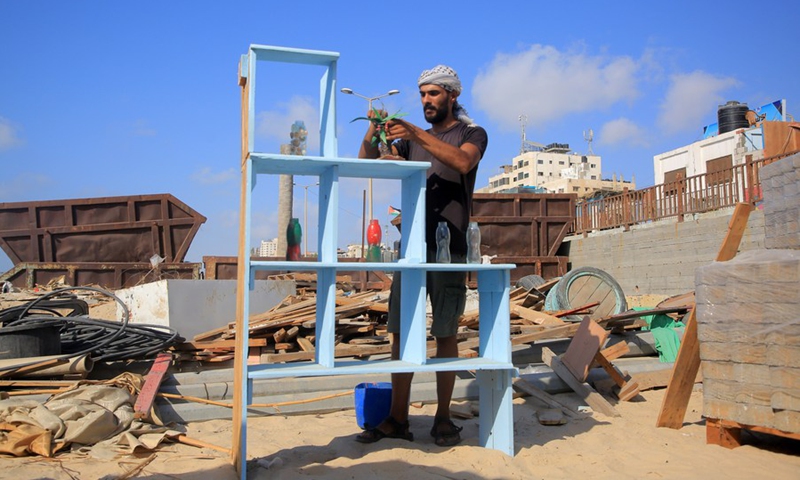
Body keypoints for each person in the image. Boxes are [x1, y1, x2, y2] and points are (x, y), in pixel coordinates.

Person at [354, 65, 488, 447]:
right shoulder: (414, 141)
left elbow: (463, 162)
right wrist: (373, 128)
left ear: (452, 96)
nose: (426, 101)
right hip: (412, 249)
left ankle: (443, 418)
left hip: (450, 249)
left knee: (445, 333)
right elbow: (367, 162)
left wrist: (412, 132)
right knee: (400, 333)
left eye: (434, 94)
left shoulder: (471, 133)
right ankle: (398, 418)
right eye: (423, 95)